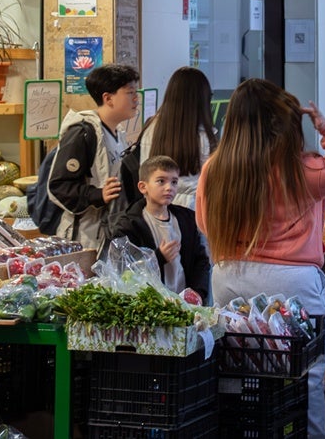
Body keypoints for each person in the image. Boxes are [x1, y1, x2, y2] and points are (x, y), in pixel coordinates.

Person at [196, 79, 325, 439]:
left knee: (238, 373)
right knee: (305, 376)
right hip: (293, 282)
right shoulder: (301, 169)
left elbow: (205, 224)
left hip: (230, 279)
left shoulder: (215, 169)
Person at [31, 63, 139, 250]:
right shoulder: (82, 134)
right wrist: (97, 194)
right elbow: (58, 187)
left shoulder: (118, 134)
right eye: (130, 93)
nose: (137, 98)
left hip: (109, 233)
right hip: (84, 239)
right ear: (108, 98)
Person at [109, 154, 211, 301]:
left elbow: (201, 261)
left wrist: (198, 293)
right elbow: (124, 269)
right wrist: (158, 258)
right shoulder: (129, 225)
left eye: (174, 182)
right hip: (149, 305)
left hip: (184, 303)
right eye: (161, 181)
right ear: (143, 187)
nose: (169, 187)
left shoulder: (187, 219)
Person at [135, 66, 216, 208]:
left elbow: (145, 170)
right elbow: (212, 180)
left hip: (157, 208)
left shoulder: (151, 128)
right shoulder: (205, 135)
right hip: (195, 209)